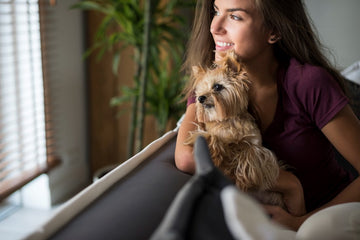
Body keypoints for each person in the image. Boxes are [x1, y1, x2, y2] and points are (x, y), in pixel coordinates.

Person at [174, 0, 360, 235]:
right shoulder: (209, 85)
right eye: (216, 11)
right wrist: (288, 183)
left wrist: (300, 222)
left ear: (274, 31)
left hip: (329, 214)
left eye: (235, 17)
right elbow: (187, 157)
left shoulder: (308, 83)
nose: (215, 27)